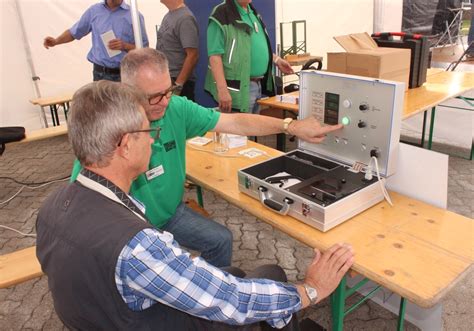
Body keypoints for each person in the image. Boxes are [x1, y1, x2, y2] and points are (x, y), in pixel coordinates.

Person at [36, 80, 354, 330]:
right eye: (148, 132)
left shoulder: (52, 206)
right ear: (125, 145)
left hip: (110, 316)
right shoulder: (137, 246)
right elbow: (232, 301)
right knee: (272, 278)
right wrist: (311, 289)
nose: (152, 140)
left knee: (235, 271)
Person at [70, 48, 343, 268]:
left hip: (169, 214)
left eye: (169, 90)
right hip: (132, 230)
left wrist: (289, 126)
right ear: (127, 92)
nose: (164, 101)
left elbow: (234, 123)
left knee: (220, 239)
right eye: (153, 97)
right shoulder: (108, 127)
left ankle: (210, 307)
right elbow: (85, 202)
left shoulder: (176, 108)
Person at [205, 0, 293, 113]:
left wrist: (277, 60)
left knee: (253, 129)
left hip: (257, 86)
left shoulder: (252, 12)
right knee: (239, 130)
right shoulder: (221, 13)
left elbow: (251, 47)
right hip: (237, 91)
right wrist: (222, 90)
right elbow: (214, 56)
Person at [43, 0, 149, 82]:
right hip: (100, 74)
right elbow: (74, 32)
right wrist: (56, 41)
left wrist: (125, 46)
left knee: (125, 109)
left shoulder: (134, 15)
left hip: (125, 74)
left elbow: (144, 49)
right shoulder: (94, 11)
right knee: (101, 109)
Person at [157, 0, 199, 100]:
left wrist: (178, 86)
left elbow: (193, 55)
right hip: (168, 80)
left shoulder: (185, 18)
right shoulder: (169, 15)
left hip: (179, 84)